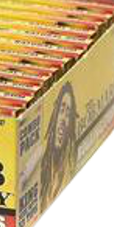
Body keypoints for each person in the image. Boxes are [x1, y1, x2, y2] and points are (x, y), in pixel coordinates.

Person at [40, 82, 78, 213]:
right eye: (61, 111)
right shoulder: (43, 163)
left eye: (68, 114)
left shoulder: (68, 167)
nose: (63, 120)